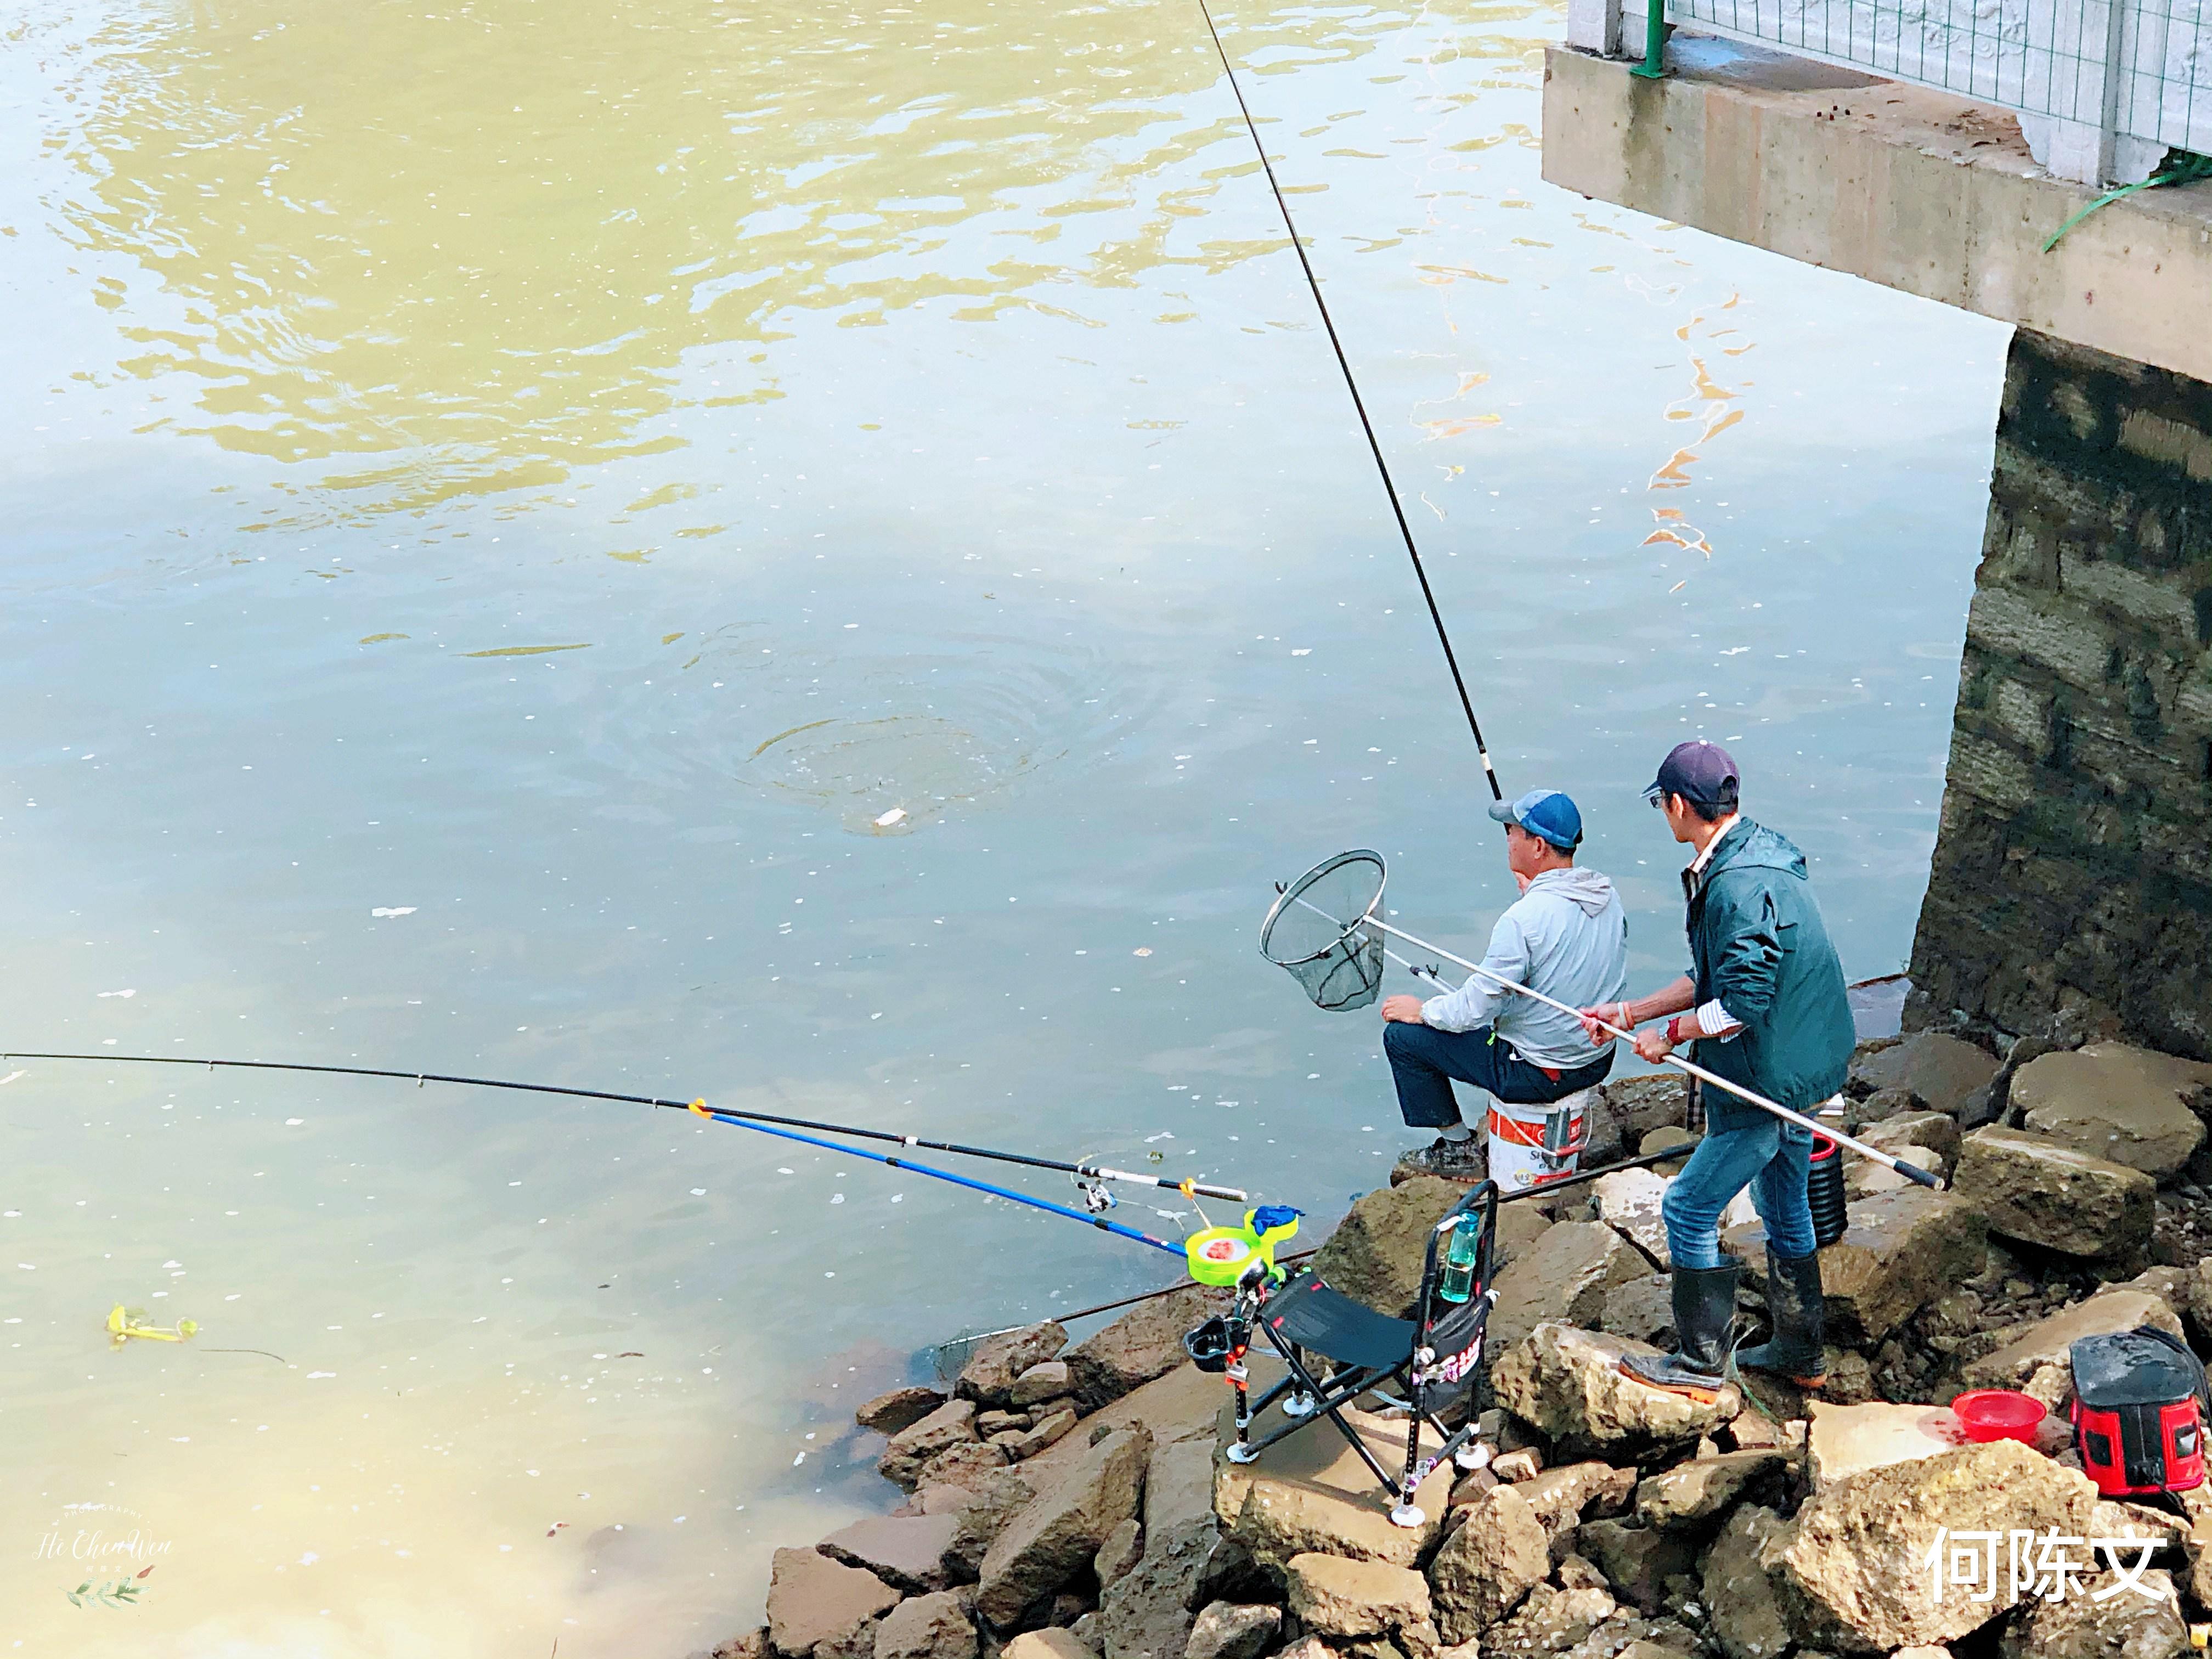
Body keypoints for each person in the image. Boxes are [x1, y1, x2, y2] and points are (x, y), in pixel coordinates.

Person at [1577, 740, 1855, 1396]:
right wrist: (1631, 1012)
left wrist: (1669, 1035)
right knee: (1783, 1201)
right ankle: (1801, 1353)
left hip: (1767, 1079)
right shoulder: (1760, 852)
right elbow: (1717, 975)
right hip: (1811, 1064)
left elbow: (1742, 1004)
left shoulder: (1733, 887)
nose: (1662, 813)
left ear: (1678, 805)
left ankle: (1700, 1363)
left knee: (1688, 1208)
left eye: (1660, 802)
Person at [1380, 788, 1628, 1180]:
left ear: (1538, 846)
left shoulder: (1523, 920)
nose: (1508, 839)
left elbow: (1472, 1010)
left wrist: (1421, 1011)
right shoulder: (1606, 896)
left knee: (1403, 1038)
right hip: (1595, 1060)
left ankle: (1458, 1149)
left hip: (1539, 1073)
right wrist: (1536, 894)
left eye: (1513, 831)